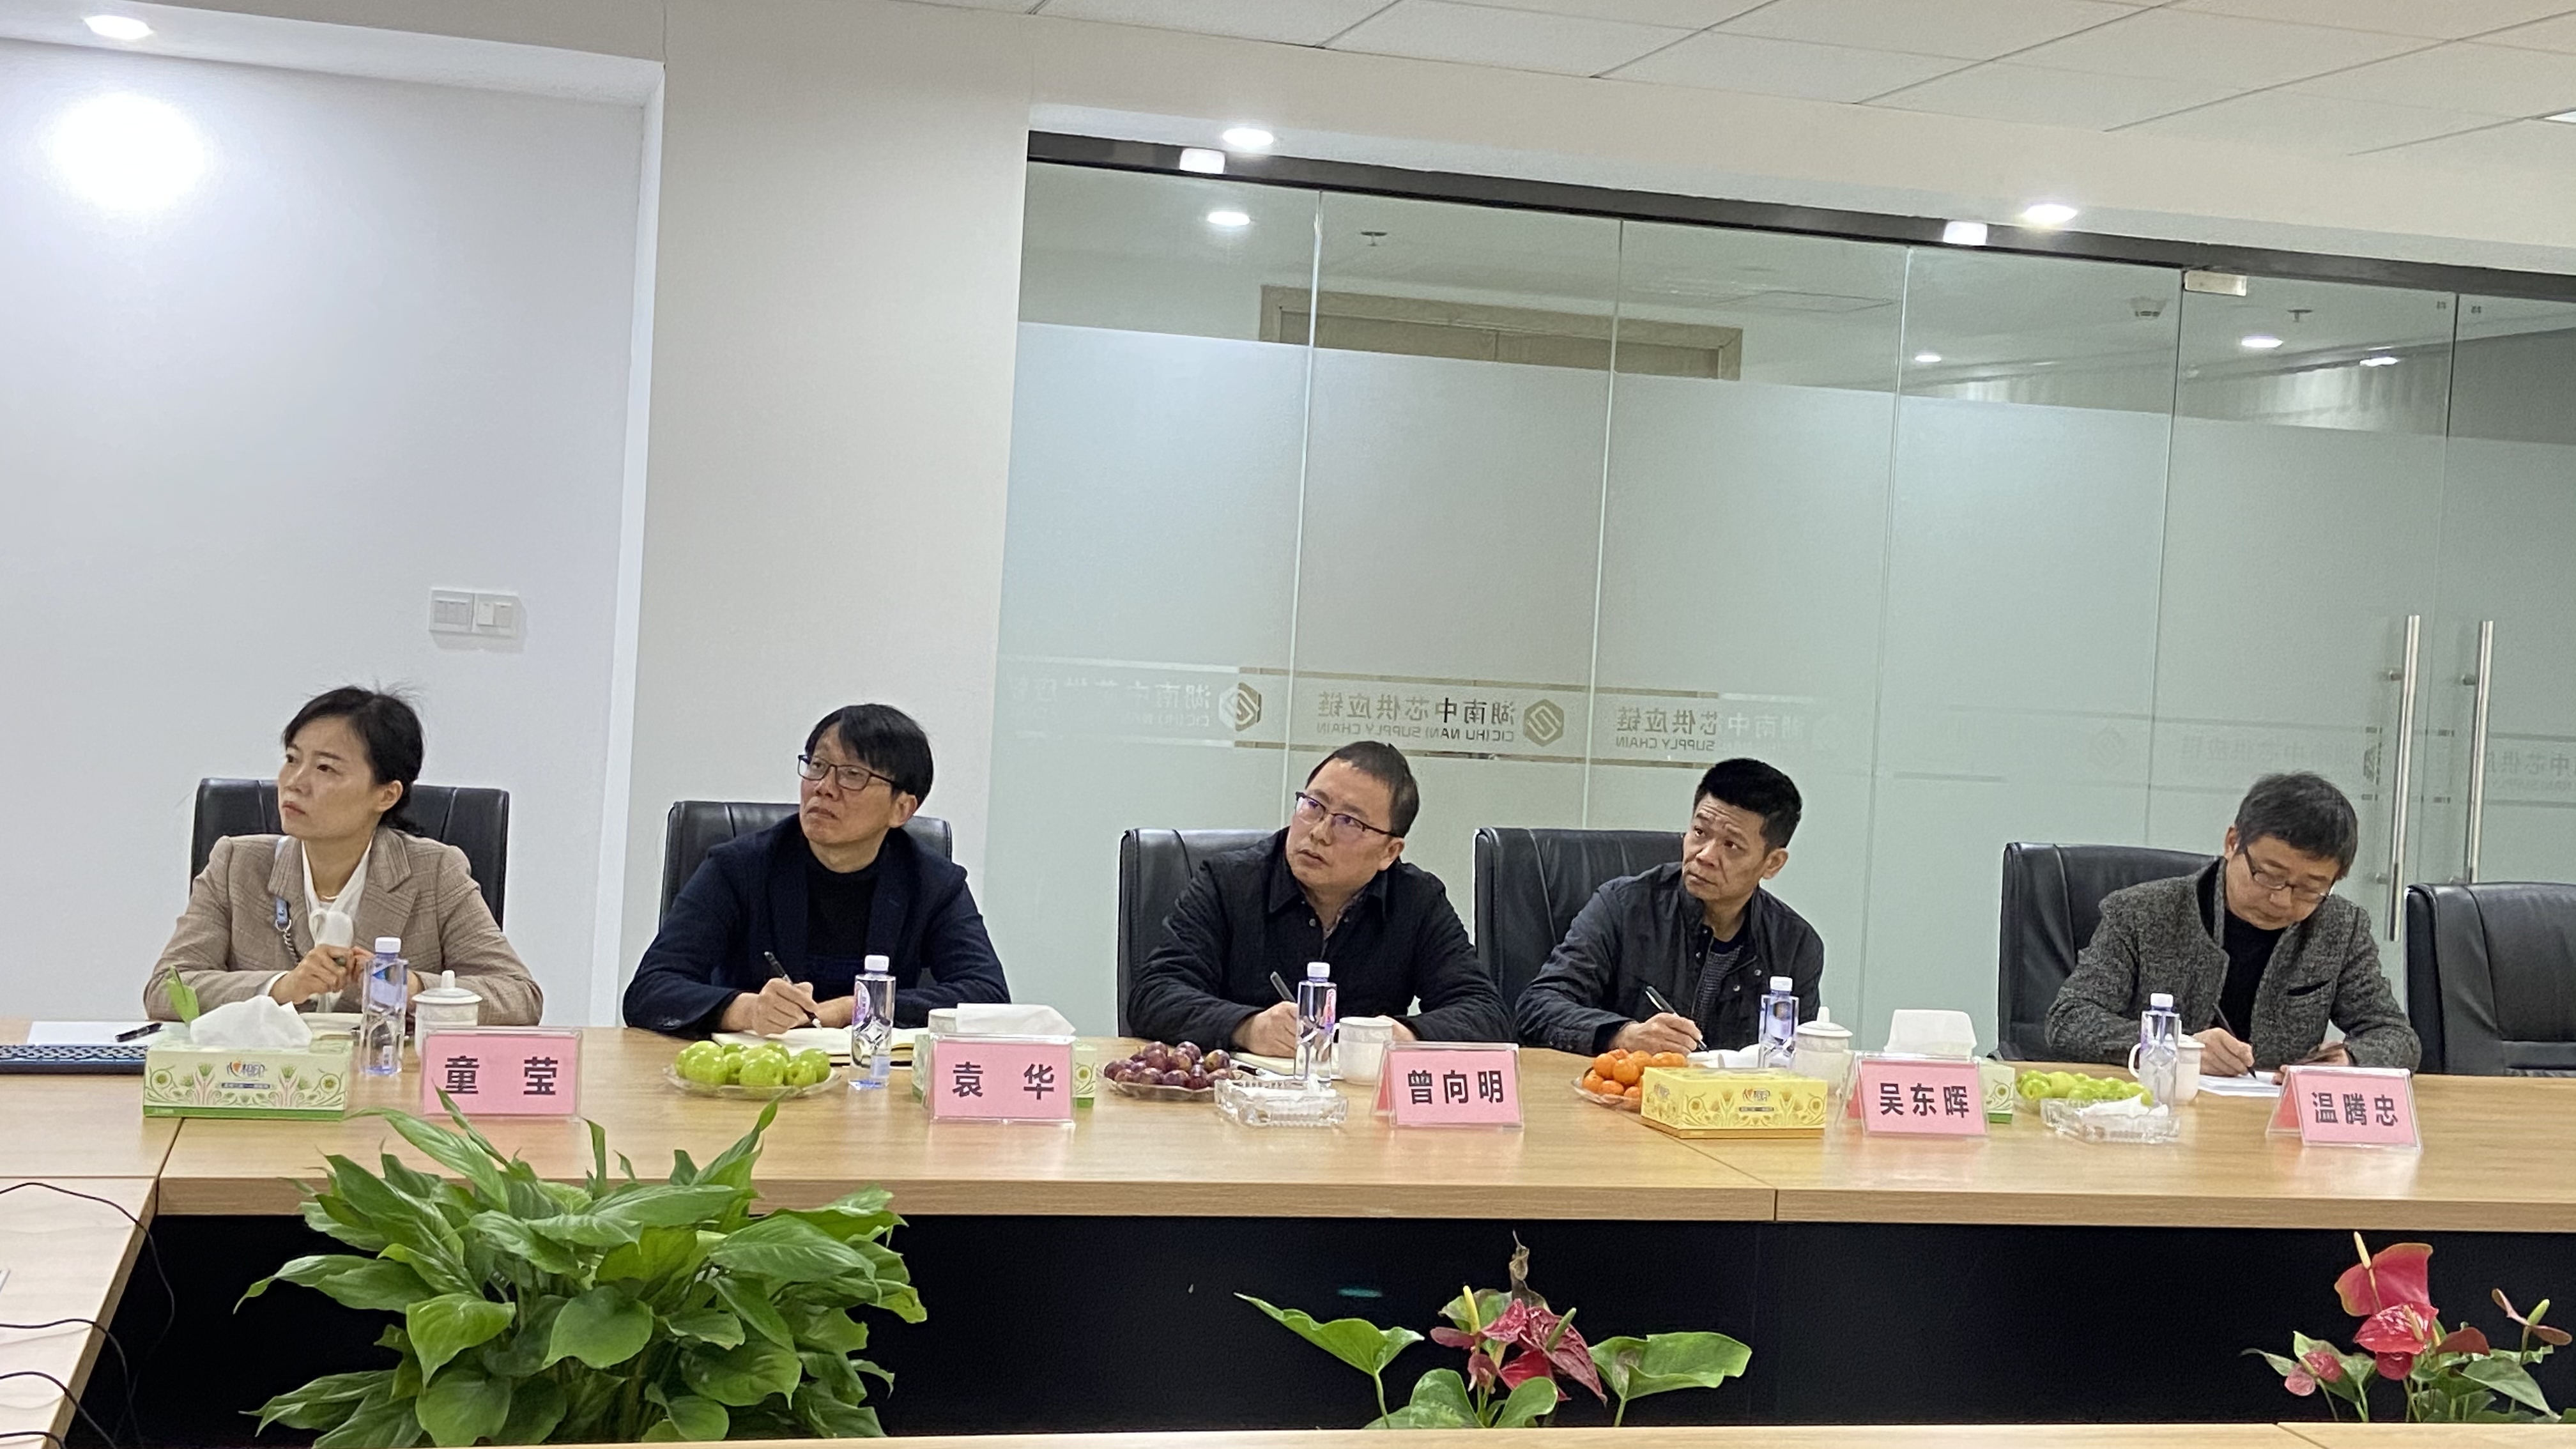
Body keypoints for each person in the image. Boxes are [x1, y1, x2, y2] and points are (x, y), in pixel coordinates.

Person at [144, 687, 542, 1022]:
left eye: (325, 769)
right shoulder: (236, 864)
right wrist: (280, 988)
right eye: (292, 759)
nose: (295, 782)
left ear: (386, 795)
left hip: (386, 1079)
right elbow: (166, 989)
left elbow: (519, 996)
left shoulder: (435, 872)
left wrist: (409, 988)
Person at [625, 703, 1008, 1036]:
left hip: (873, 1077)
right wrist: (748, 1010)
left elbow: (988, 996)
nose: (824, 787)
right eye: (818, 766)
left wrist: (853, 1008)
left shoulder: (934, 883)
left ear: (902, 809)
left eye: (853, 775)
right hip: (754, 1074)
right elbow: (650, 989)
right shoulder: (738, 868)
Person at [1128, 741, 1510, 1052]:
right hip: (1238, 1103)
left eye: (1349, 822)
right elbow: (1154, 994)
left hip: (1360, 1108)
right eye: (1313, 806)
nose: (1319, 832)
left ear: (1389, 852)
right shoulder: (1229, 882)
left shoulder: (1417, 901)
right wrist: (1248, 1027)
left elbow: (1486, 1013)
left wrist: (1402, 1036)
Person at [2047, 771, 2418, 1073]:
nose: (2281, 899)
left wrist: (2350, 1059)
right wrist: (2176, 1048)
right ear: (2232, 842)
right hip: (2158, 1113)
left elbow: (2395, 1035)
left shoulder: (2341, 928)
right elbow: (2070, 1019)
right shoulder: (2141, 913)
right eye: (2269, 875)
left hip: (2275, 1122)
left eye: (2310, 888)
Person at [1515, 758, 1822, 1055]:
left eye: (1731, 845)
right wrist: (1622, 1035)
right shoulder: (1623, 906)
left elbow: (1798, 1058)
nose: (1705, 855)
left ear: (1772, 863)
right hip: (1629, 1086)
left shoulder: (1795, 945)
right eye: (1700, 832)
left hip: (1734, 1092)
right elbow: (1538, 1006)